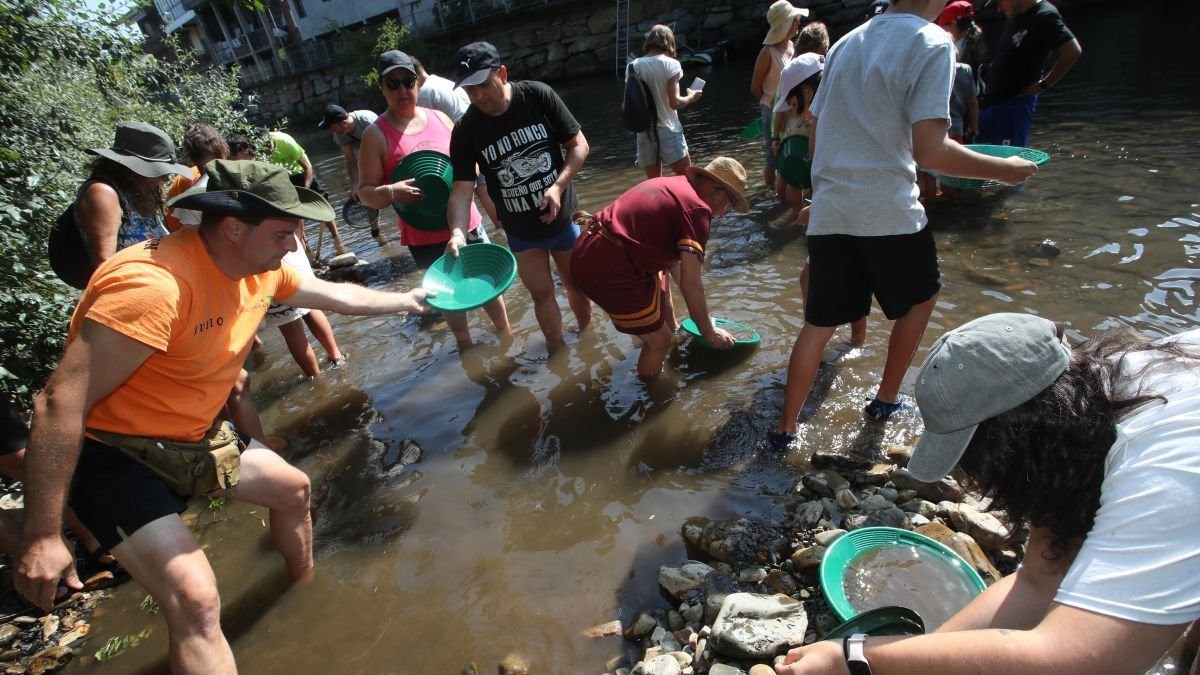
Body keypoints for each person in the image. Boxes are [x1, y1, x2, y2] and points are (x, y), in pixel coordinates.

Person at [14, 159, 430, 674]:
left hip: (191, 432)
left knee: (293, 490)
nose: (291, 246)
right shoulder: (152, 287)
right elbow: (57, 404)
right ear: (233, 228)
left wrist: (407, 300)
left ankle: (303, 593)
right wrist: (42, 534)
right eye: (283, 233)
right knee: (196, 600)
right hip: (112, 450)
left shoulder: (262, 268)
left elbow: (336, 294)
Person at [776, 313, 1200, 675]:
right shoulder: (1082, 415)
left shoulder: (1163, 476)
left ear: (1016, 445)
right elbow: (1037, 579)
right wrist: (922, 659)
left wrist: (856, 658)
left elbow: (1080, 658)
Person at [768, 0, 1037, 451]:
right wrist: (1003, 170)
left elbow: (818, 129)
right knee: (924, 295)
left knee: (817, 324)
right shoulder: (932, 41)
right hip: (888, 208)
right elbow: (930, 152)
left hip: (833, 206)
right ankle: (886, 400)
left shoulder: (847, 42)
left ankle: (785, 431)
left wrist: (825, 193)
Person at [358, 50, 512, 350]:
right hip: (423, 234)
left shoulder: (440, 118)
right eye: (393, 84)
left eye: (408, 81)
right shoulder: (375, 135)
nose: (403, 90)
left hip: (466, 222)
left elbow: (471, 166)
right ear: (382, 87)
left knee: (488, 281)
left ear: (418, 82)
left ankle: (507, 334)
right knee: (447, 296)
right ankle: (466, 347)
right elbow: (365, 193)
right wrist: (391, 192)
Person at [447, 41, 592, 351]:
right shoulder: (466, 129)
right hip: (521, 230)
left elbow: (579, 145)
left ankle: (588, 337)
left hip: (563, 216)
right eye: (469, 91)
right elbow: (461, 190)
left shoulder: (537, 95)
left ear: (502, 73)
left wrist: (558, 187)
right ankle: (558, 352)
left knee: (577, 283)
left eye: (483, 85)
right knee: (541, 294)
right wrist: (458, 233)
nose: (478, 96)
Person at [570, 157, 748, 378]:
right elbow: (691, 283)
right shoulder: (697, 210)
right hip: (607, 266)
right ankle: (650, 395)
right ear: (718, 193)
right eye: (728, 206)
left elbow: (674, 263)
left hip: (588, 247)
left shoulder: (674, 185)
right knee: (659, 340)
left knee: (661, 282)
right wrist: (708, 331)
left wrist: (703, 318)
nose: (722, 213)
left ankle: (672, 331)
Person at [73, 121, 190, 274]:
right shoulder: (103, 193)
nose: (166, 179)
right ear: (131, 168)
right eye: (159, 172)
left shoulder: (140, 194)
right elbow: (104, 264)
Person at [410, 54, 503, 233]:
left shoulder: (426, 93)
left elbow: (428, 130)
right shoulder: (442, 81)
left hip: (469, 140)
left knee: (482, 187)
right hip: (481, 132)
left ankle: (503, 230)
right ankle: (504, 229)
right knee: (486, 186)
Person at [978, 0, 1082, 147]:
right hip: (992, 103)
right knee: (982, 160)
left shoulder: (1044, 16)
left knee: (1008, 162)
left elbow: (1072, 51)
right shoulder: (1016, 14)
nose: (999, 9)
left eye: (999, 2)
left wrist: (1045, 84)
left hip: (1014, 104)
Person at [628, 24, 702, 179]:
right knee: (689, 179)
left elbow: (628, 104)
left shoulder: (632, 66)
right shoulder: (671, 64)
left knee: (656, 185)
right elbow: (674, 103)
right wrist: (691, 97)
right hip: (669, 129)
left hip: (644, 132)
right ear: (670, 42)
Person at [750, 0, 807, 195]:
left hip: (791, 109)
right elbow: (755, 87)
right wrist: (770, 105)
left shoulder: (792, 46)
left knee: (790, 148)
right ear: (784, 24)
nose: (798, 23)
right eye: (795, 20)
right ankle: (771, 194)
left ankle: (787, 186)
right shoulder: (767, 53)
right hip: (771, 109)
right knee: (771, 154)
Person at [267, 130, 347, 255]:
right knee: (294, 211)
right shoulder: (257, 153)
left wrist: (306, 189)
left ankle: (337, 239)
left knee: (321, 202)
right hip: (282, 177)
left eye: (270, 148)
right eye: (265, 151)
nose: (268, 153)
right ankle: (305, 246)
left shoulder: (285, 142)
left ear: (272, 142)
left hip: (300, 172)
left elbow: (308, 167)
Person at [317, 104, 381, 237]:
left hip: (384, 149)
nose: (331, 130)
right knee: (364, 191)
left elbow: (386, 145)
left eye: (331, 126)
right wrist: (355, 187)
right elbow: (351, 161)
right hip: (369, 155)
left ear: (343, 122)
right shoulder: (340, 134)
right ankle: (376, 232)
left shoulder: (367, 122)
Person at [165, 123, 229, 233]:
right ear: (223, 150)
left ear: (191, 158)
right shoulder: (233, 179)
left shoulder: (182, 181)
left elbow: (172, 225)